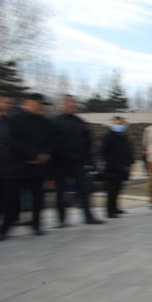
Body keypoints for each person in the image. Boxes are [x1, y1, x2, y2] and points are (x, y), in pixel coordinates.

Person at [0, 93, 54, 241]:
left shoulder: (45, 122)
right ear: (27, 102)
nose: (40, 106)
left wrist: (45, 154)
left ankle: (36, 225)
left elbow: (51, 141)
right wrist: (33, 156)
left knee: (38, 199)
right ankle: (5, 229)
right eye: (37, 103)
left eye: (41, 104)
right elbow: (13, 141)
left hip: (37, 167)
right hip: (16, 165)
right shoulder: (15, 119)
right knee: (11, 200)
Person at [52, 95, 104, 226]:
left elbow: (88, 143)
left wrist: (90, 162)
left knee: (84, 190)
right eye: (69, 102)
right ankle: (62, 220)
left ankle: (88, 217)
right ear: (63, 105)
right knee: (60, 191)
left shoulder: (80, 122)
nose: (72, 105)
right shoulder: (56, 122)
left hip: (78, 162)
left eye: (74, 103)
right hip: (61, 162)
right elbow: (52, 143)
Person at [101, 116, 134, 218]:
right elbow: (103, 151)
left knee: (118, 189)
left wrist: (130, 162)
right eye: (118, 123)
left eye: (122, 124)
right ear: (113, 124)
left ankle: (115, 208)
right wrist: (109, 162)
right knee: (111, 190)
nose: (120, 125)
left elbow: (128, 150)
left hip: (122, 168)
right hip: (112, 168)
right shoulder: (108, 136)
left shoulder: (123, 136)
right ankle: (109, 211)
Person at [0, 91, 13, 217]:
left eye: (9, 102)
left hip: (7, 164)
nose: (7, 104)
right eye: (4, 102)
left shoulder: (12, 121)